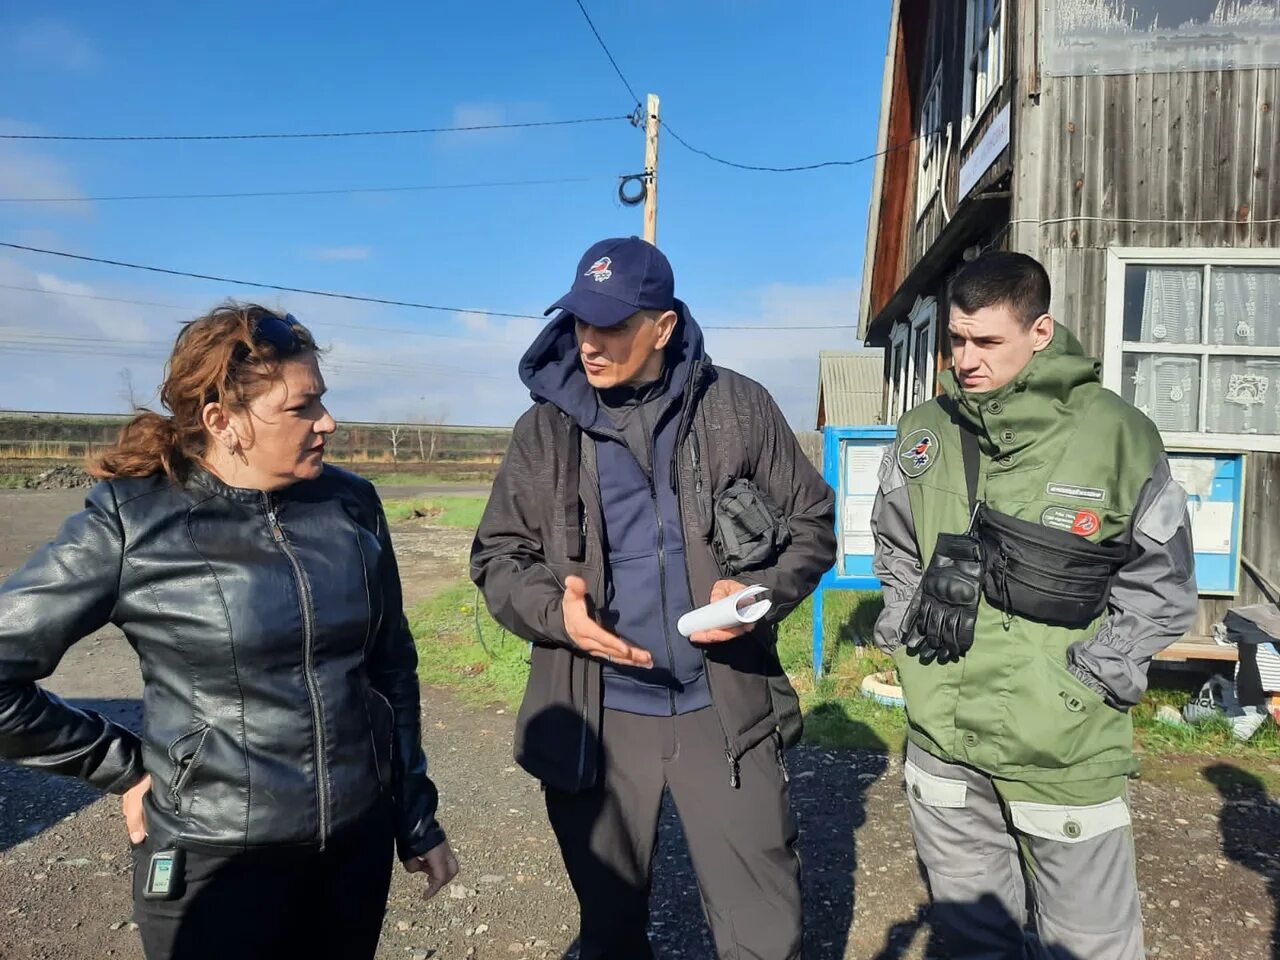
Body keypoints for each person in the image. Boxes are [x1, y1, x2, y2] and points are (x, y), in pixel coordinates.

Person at [0, 304, 458, 960]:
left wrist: (414, 817)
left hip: (352, 854)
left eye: (322, 401)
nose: (327, 423)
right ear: (223, 421)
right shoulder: (132, 522)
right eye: (301, 408)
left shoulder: (351, 504)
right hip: (214, 862)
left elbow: (391, 666)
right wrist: (126, 766)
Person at [471, 237, 835, 960]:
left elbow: (812, 526)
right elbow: (498, 556)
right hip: (599, 718)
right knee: (608, 931)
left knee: (763, 928)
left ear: (663, 327)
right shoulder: (542, 431)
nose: (589, 344)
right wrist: (557, 612)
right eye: (579, 323)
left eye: (610, 327)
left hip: (722, 707)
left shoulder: (739, 407)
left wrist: (757, 592)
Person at [870, 251, 1197, 959]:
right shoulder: (922, 432)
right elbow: (892, 545)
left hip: (1063, 750)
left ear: (1041, 330)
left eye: (987, 341)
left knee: (1091, 947)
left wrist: (1089, 680)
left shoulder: (1118, 436)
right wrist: (904, 637)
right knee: (972, 943)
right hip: (943, 743)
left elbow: (1162, 587)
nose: (966, 359)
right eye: (956, 340)